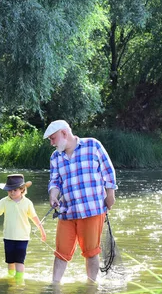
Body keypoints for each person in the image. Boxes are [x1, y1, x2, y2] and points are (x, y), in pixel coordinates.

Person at [43, 120, 117, 283]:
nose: (51, 143)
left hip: (92, 210)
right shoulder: (55, 157)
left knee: (91, 252)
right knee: (61, 252)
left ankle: (91, 286)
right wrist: (53, 195)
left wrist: (110, 195)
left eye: (53, 138)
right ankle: (55, 287)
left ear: (64, 133)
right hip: (67, 212)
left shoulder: (92, 145)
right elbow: (55, 181)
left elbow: (108, 171)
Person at [0, 174, 47, 282]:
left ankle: (19, 281)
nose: (12, 192)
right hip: (8, 237)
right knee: (10, 261)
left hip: (23, 238)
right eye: (9, 190)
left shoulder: (27, 203)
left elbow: (34, 218)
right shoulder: (4, 201)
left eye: (15, 190)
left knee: (20, 262)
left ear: (22, 190)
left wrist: (42, 231)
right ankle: (10, 278)